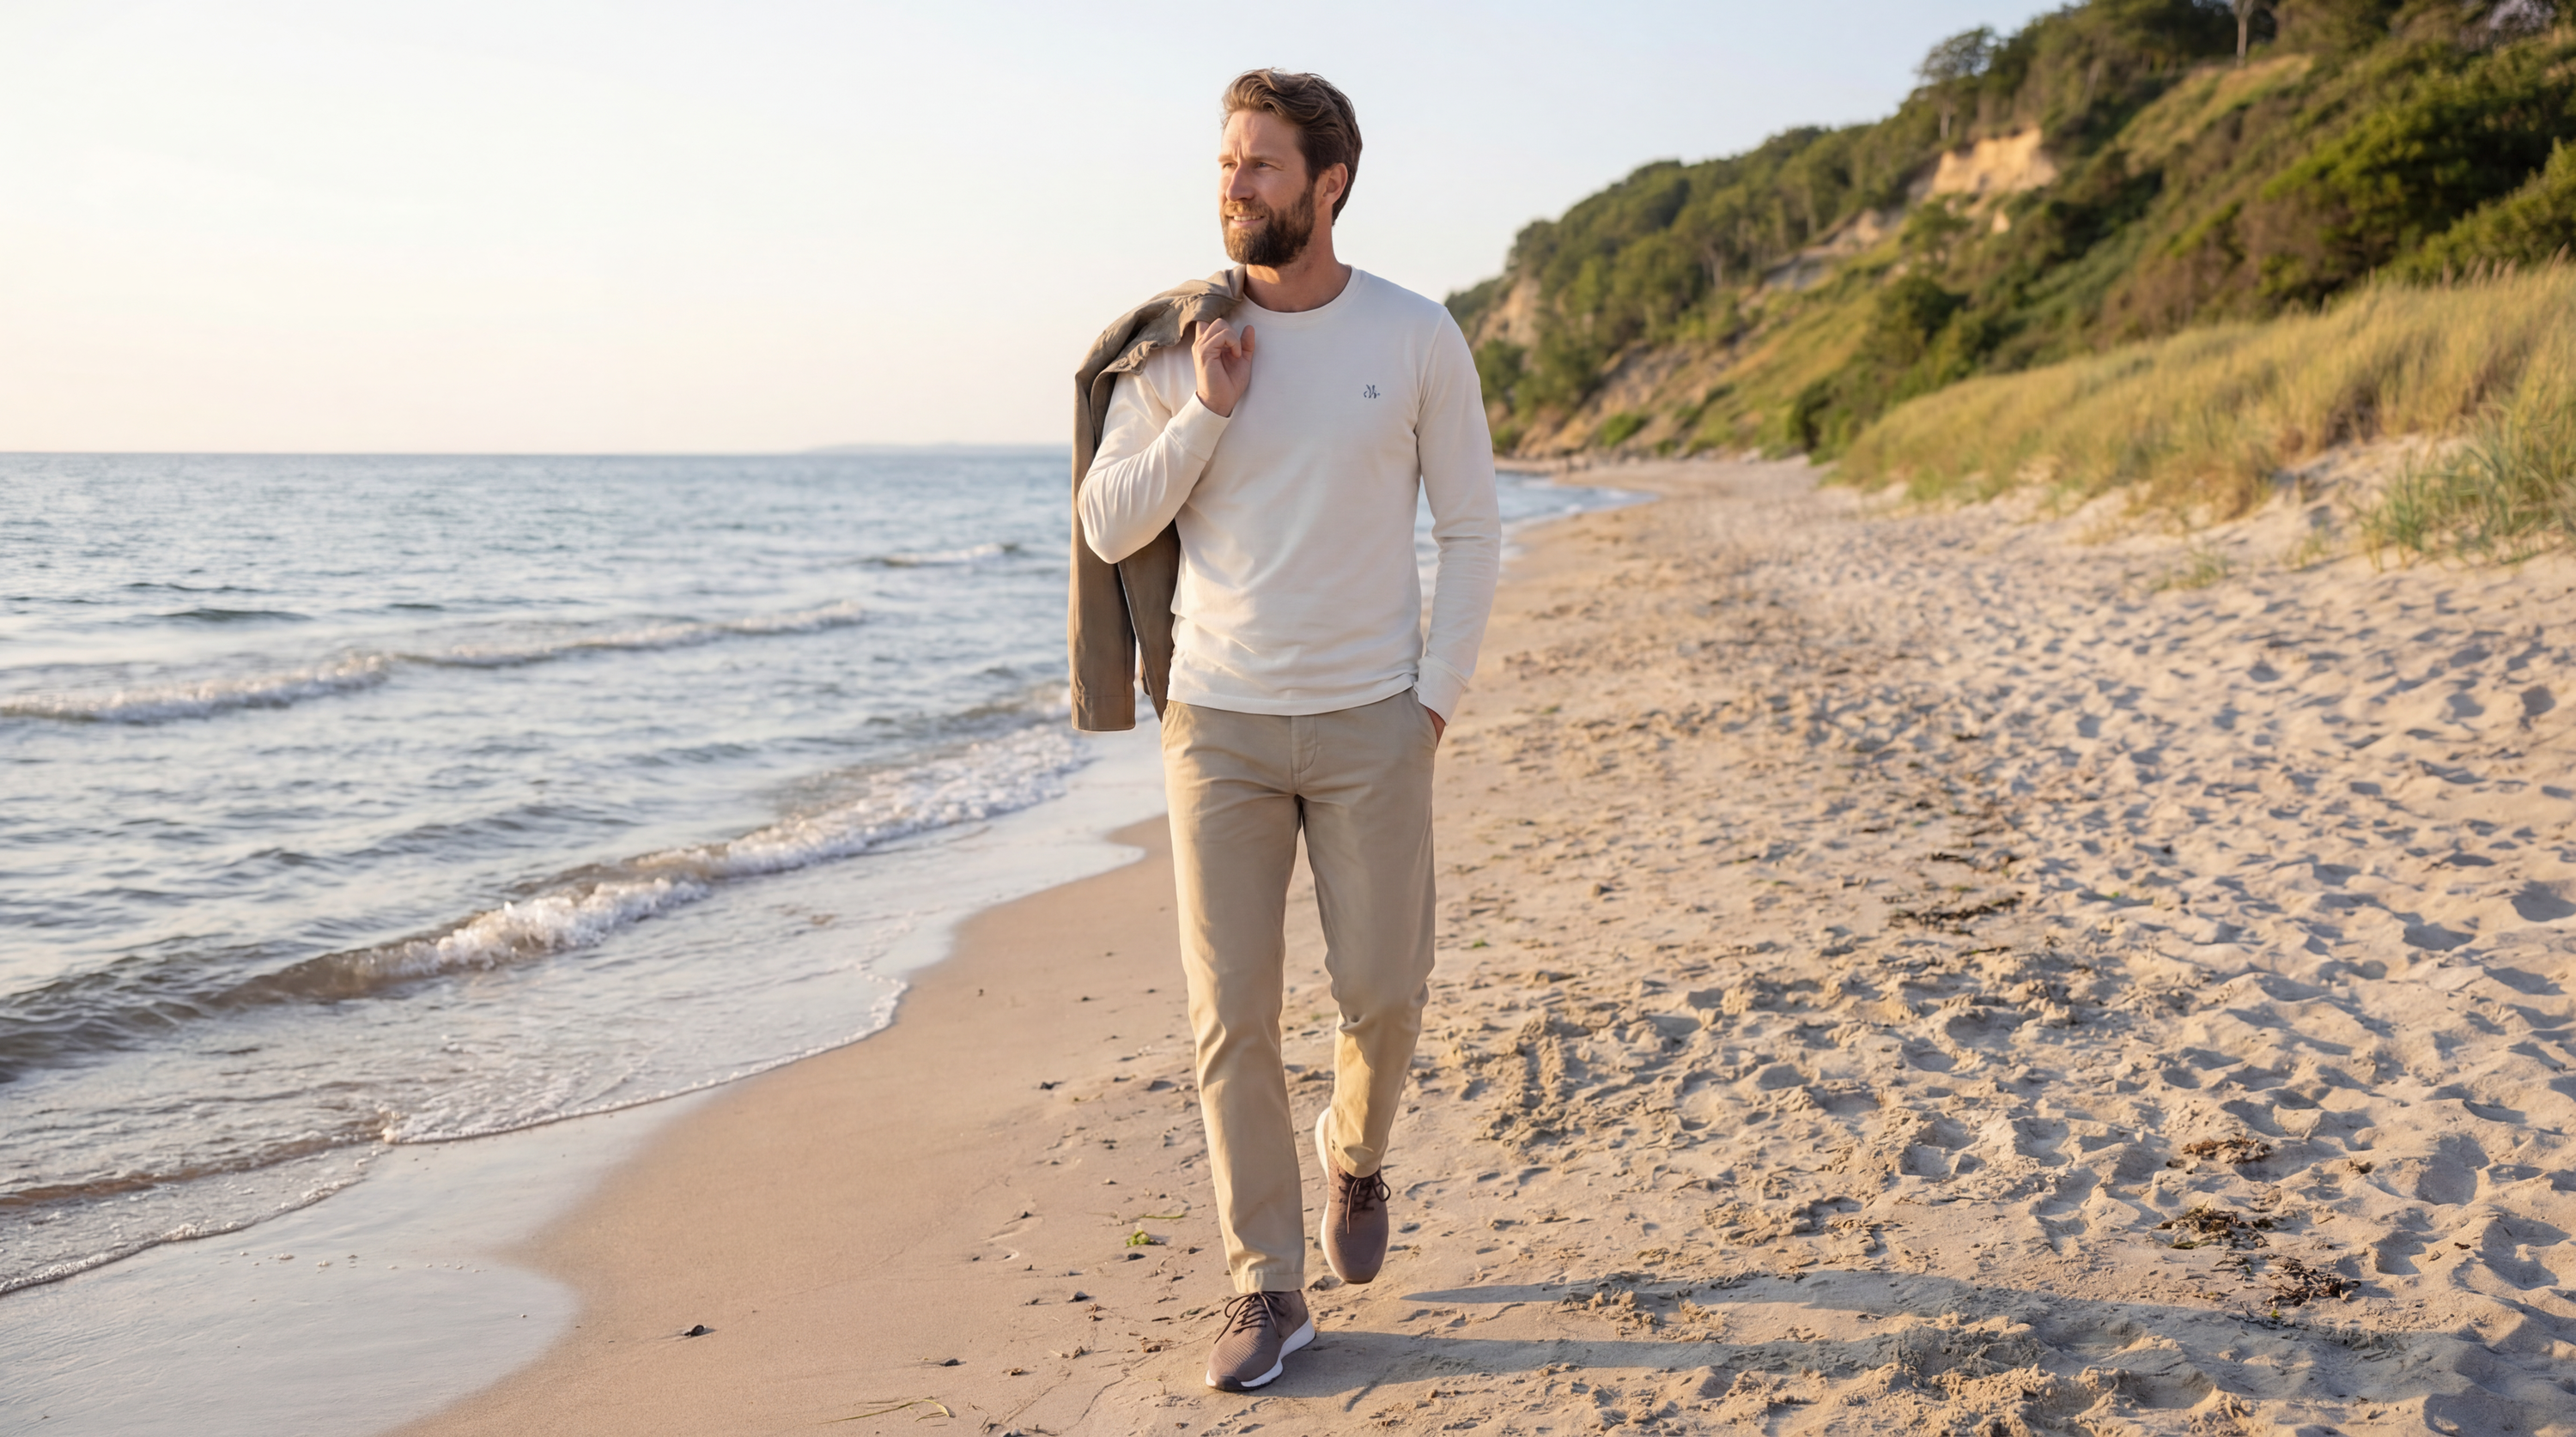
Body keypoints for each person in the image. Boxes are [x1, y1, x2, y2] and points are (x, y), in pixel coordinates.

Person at [1070, 68, 1501, 1393]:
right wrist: (1207, 406)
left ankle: (1354, 1157)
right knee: (1229, 1016)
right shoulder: (1177, 351)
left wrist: (1431, 698)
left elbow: (1473, 528)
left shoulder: (1418, 337)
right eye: (1224, 163)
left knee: (1384, 989)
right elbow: (1108, 523)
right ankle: (1265, 1283)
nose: (1233, 186)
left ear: (1330, 184)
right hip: (1221, 725)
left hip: (1376, 716)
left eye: (1260, 165)